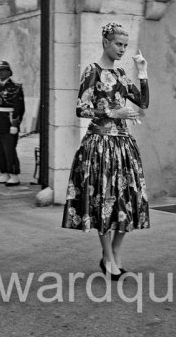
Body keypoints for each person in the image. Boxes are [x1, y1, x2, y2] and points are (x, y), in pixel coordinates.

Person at [62, 22, 150, 280]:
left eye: (125, 45)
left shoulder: (122, 75)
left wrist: (142, 72)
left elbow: (143, 102)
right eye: (118, 44)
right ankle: (109, 258)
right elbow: (81, 108)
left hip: (123, 146)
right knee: (103, 201)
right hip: (99, 145)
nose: (122, 49)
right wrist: (113, 111)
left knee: (128, 201)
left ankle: (113, 255)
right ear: (105, 42)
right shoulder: (92, 71)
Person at [0, 61, 25, 187]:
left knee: (9, 149)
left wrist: (15, 124)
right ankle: (4, 173)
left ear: (9, 72)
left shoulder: (16, 87)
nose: (0, 73)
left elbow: (19, 108)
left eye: (3, 70)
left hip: (9, 122)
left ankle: (14, 175)